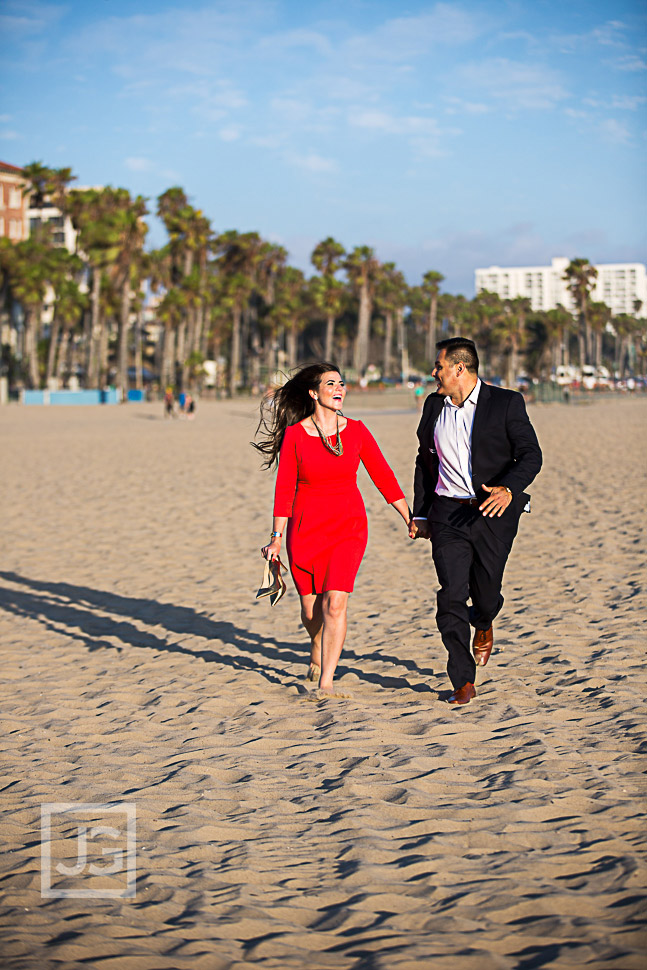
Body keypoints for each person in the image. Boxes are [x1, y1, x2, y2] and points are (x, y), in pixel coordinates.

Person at [254, 362, 412, 695]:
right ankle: (316, 643)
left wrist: (408, 516)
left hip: (348, 526)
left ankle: (326, 681)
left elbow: (382, 476)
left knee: (335, 604)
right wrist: (276, 539)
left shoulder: (356, 430)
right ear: (313, 393)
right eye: (331, 384)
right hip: (305, 527)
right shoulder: (295, 435)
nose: (339, 388)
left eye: (341, 383)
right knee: (312, 611)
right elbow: (284, 490)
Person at [410, 338, 542, 706]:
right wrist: (421, 512)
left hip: (491, 512)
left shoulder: (506, 403)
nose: (433, 373)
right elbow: (425, 460)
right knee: (451, 594)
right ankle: (463, 681)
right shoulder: (433, 405)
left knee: (485, 593)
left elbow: (531, 455)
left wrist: (508, 489)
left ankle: (483, 622)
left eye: (438, 366)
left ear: (459, 369)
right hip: (447, 514)